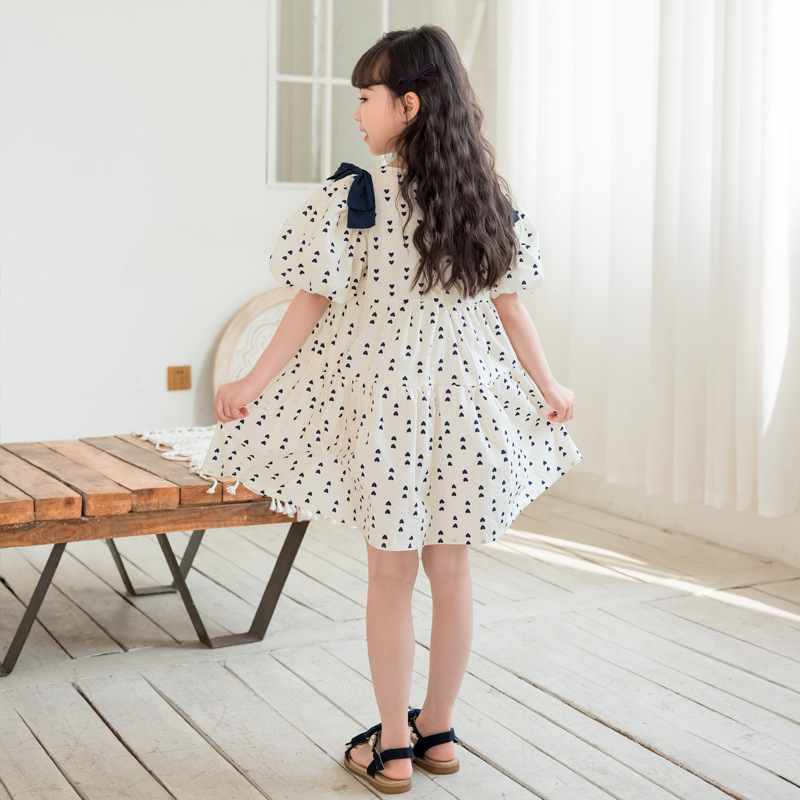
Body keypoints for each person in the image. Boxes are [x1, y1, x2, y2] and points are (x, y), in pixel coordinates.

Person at [201, 24, 582, 795]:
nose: (357, 114)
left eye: (366, 98)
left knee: (390, 575)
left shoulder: (358, 194)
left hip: (386, 402)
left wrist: (253, 381)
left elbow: (310, 301)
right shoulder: (486, 198)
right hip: (464, 401)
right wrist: (549, 386)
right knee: (453, 569)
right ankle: (438, 730)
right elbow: (512, 310)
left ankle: (395, 747)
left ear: (408, 105)